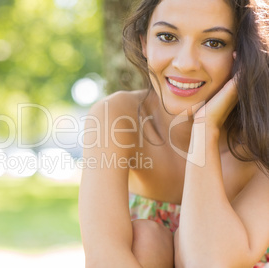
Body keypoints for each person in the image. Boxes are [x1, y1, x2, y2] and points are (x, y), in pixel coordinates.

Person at [78, 0, 269, 267]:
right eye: (167, 37)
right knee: (146, 238)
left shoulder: (263, 141)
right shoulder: (117, 116)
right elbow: (104, 256)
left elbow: (211, 261)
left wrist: (206, 127)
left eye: (214, 42)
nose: (185, 63)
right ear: (144, 43)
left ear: (242, 54)